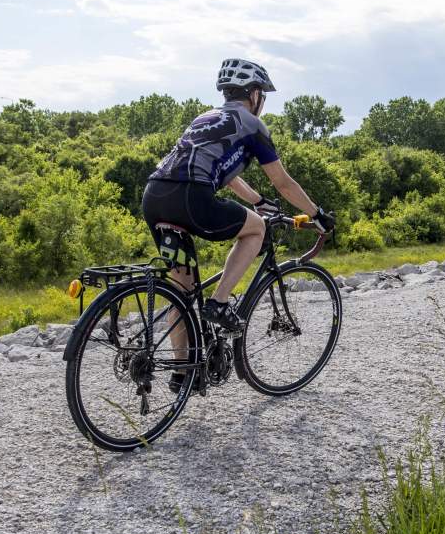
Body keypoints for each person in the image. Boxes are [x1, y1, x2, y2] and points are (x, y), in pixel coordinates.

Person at [142, 58, 335, 391]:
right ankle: (219, 303)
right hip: (191, 196)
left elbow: (227, 175)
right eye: (263, 95)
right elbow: (283, 182)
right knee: (257, 228)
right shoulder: (252, 124)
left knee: (181, 291)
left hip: (155, 196)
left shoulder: (206, 118)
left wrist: (257, 201)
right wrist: (316, 214)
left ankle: (182, 372)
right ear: (255, 94)